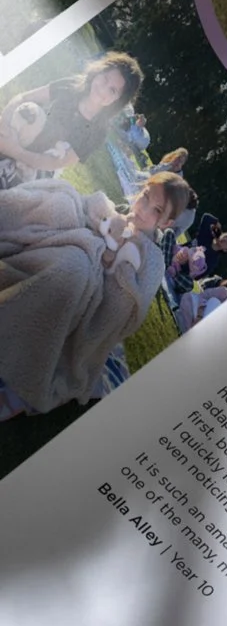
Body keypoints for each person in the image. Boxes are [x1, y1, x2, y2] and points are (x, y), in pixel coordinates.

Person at [0, 169, 192, 417]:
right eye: (145, 197)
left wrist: (107, 263)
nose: (143, 209)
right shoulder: (119, 217)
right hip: (71, 253)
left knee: (72, 268)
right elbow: (94, 217)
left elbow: (128, 306)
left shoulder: (152, 259)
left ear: (166, 223)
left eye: (156, 210)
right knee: (60, 203)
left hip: (90, 297)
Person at [0, 53, 143, 188]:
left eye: (112, 90)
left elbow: (55, 163)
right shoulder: (71, 86)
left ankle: (11, 173)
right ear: (99, 71)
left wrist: (14, 151)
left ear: (117, 101)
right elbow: (23, 98)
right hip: (26, 137)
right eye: (105, 78)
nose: (103, 89)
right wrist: (4, 126)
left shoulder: (99, 132)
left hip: (41, 166)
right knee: (28, 111)